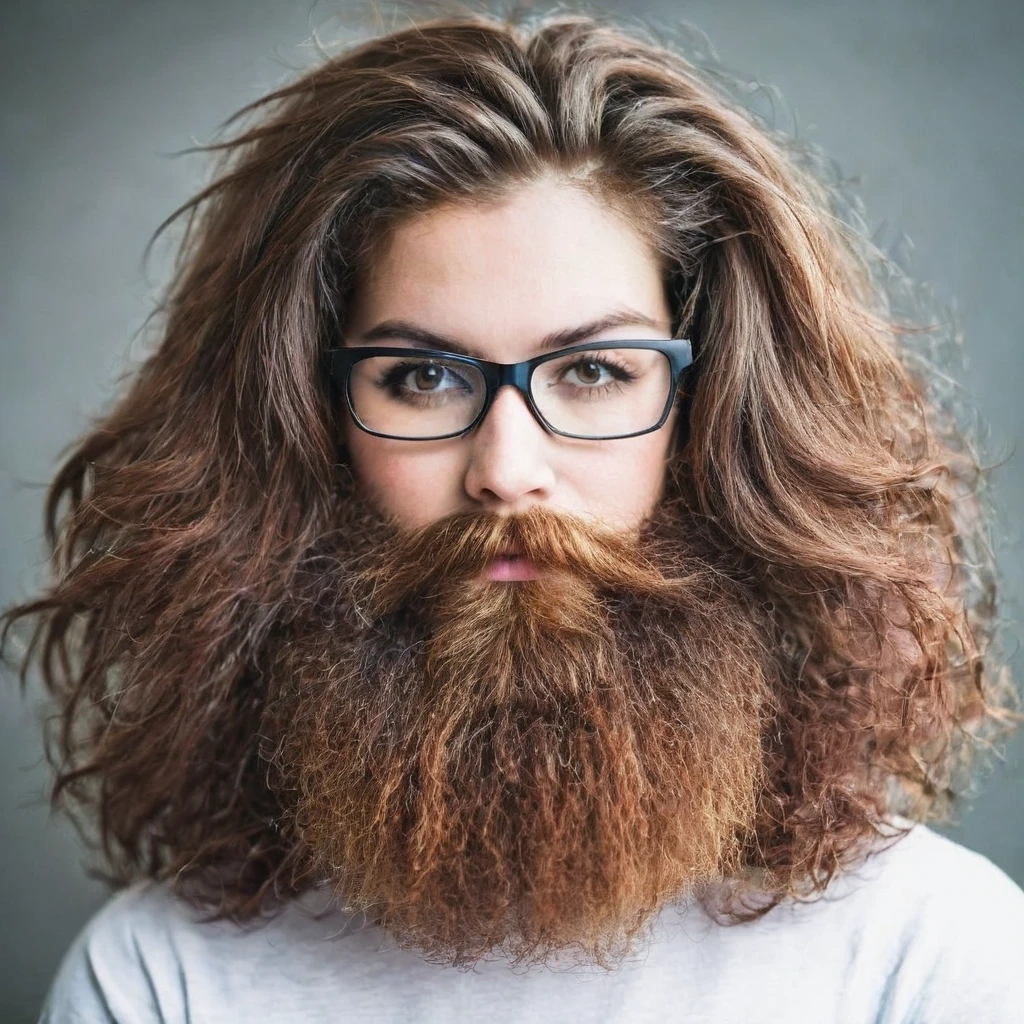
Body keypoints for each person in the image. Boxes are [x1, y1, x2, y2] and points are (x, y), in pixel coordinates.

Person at [3, 8, 1023, 1023]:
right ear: (309, 434)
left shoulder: (929, 956)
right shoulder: (159, 980)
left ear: (710, 418)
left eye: (591, 371)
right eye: (421, 377)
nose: (506, 469)